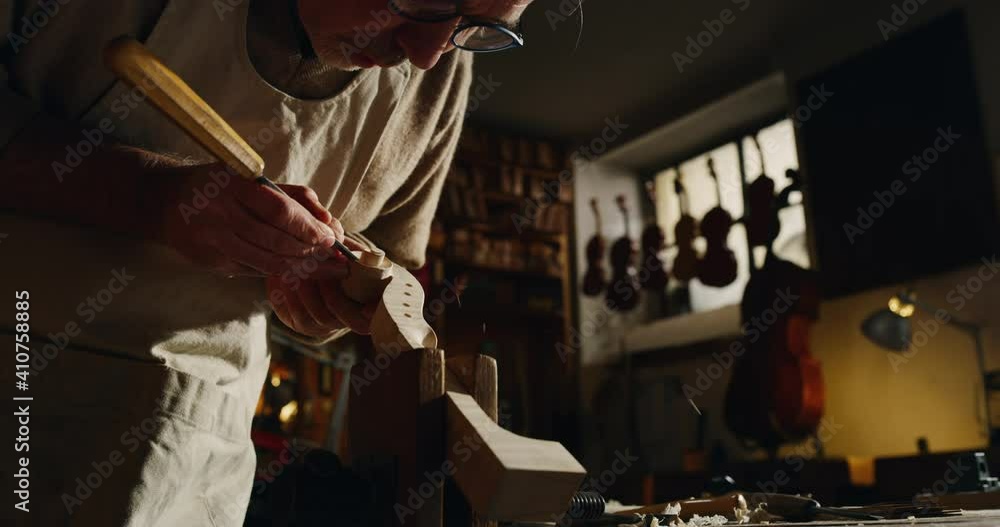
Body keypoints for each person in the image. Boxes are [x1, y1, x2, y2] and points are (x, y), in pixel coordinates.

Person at [0, 0, 532, 524]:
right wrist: (148, 196)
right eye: (426, 2)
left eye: (481, 26)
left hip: (193, 450)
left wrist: (324, 299)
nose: (426, 55)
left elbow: (382, 269)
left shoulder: (439, 78)